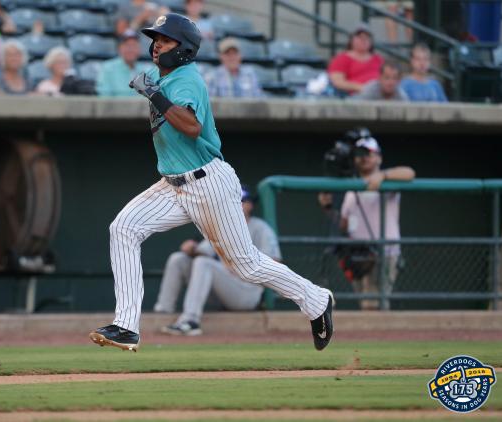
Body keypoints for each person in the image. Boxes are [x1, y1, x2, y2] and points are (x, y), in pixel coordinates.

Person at [89, 13, 333, 353]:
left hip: (207, 182)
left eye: (166, 39)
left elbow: (191, 127)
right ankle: (126, 326)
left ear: (184, 49)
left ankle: (316, 300)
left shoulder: (187, 78)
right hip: (173, 185)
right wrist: (156, 91)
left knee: (246, 265)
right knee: (124, 228)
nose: (157, 44)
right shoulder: (167, 77)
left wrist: (155, 95)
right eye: (155, 38)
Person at [156, 185, 282, 335]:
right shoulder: (221, 226)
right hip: (221, 289)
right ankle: (162, 313)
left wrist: (242, 268)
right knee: (179, 259)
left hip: (246, 293)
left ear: (249, 205)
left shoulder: (261, 228)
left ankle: (190, 321)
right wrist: (192, 249)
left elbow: (276, 264)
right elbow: (204, 254)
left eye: (240, 201)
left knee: (204, 264)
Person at [318, 129, 415, 310]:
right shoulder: (351, 188)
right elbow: (344, 225)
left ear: (379, 157)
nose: (364, 158)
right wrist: (328, 208)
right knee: (367, 304)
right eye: (360, 154)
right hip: (357, 252)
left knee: (373, 304)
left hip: (383, 251)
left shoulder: (388, 180)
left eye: (369, 154)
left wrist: (383, 176)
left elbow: (409, 173)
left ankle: (381, 337)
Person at [327, 24, 384, 96]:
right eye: (360, 37)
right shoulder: (341, 59)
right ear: (351, 40)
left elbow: (388, 77)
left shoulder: (378, 59)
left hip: (381, 93)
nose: (364, 40)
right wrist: (362, 88)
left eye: (367, 38)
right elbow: (338, 82)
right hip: (356, 95)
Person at [96, 29, 150, 97]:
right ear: (119, 48)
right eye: (127, 45)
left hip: (141, 107)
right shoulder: (107, 68)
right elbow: (104, 97)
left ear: (139, 49)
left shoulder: (147, 70)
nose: (130, 49)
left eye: (134, 45)